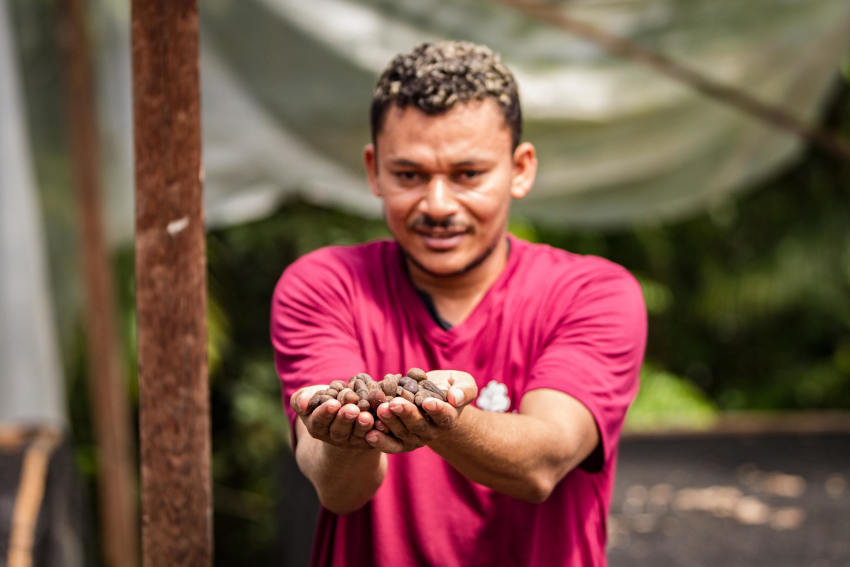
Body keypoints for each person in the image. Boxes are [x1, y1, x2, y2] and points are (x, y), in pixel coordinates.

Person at [271, 40, 647, 567]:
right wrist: (345, 433)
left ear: (520, 169)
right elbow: (340, 490)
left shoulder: (593, 293)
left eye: (468, 175)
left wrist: (439, 417)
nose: (438, 205)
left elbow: (541, 464)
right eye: (409, 176)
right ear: (374, 170)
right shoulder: (322, 285)